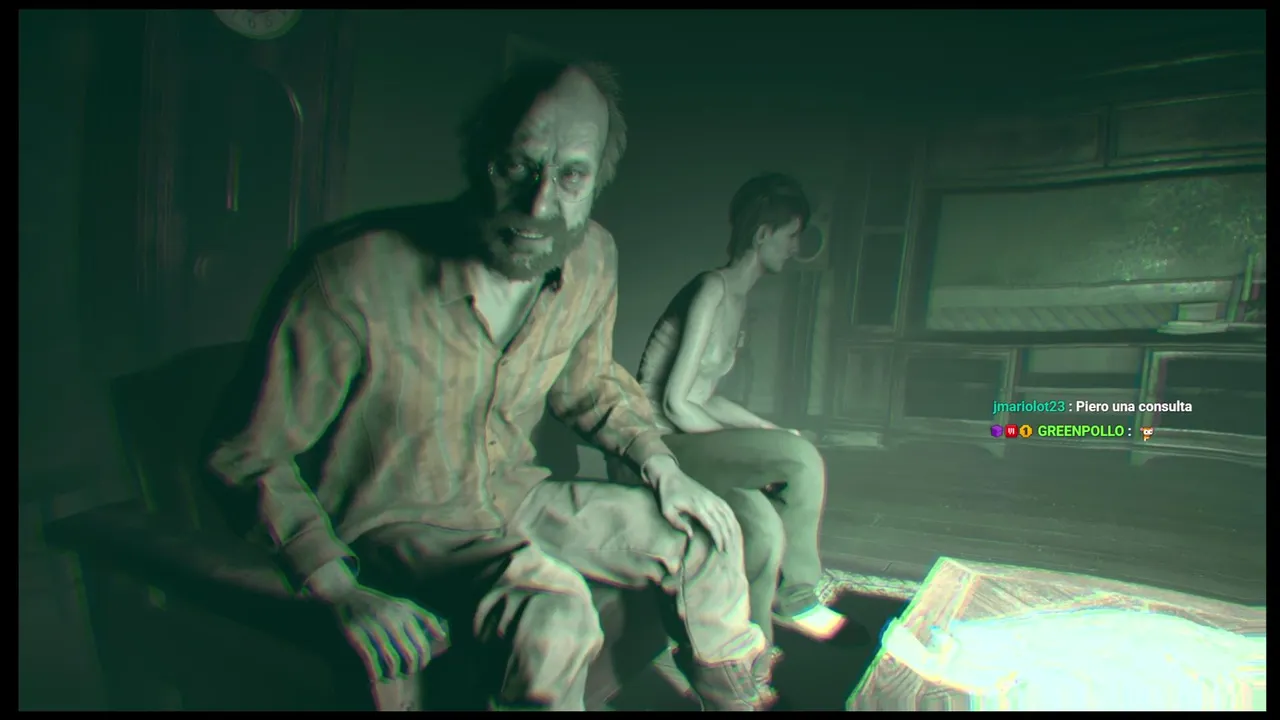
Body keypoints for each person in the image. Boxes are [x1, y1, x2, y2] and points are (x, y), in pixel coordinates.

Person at [205, 60, 776, 711]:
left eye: (571, 176)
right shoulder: (352, 273)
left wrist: (662, 466)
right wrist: (336, 587)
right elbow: (246, 454)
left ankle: (734, 701)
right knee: (556, 615)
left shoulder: (592, 257)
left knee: (706, 533)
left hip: (513, 492)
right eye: (517, 165)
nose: (539, 204)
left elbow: (588, 386)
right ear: (480, 159)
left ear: (597, 180)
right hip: (400, 521)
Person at [609, 173, 844, 655]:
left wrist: (765, 430)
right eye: (791, 235)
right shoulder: (711, 290)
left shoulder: (739, 302)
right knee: (800, 459)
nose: (795, 248)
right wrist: (756, 454)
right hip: (654, 446)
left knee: (763, 526)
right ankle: (798, 594)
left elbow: (705, 396)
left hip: (688, 441)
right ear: (762, 235)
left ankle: (753, 649)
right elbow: (675, 403)